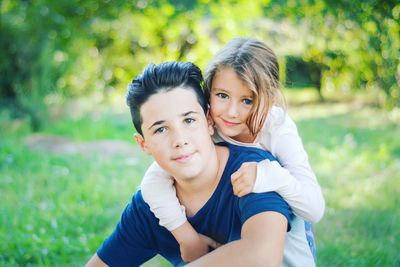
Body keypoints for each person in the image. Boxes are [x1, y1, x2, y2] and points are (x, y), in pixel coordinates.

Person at [86, 61, 297, 267]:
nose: (179, 140)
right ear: (143, 144)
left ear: (208, 121)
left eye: (188, 121)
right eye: (160, 129)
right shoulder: (150, 205)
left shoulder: (254, 173)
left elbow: (262, 257)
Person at [141, 38, 324, 263]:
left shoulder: (277, 128)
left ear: (270, 99)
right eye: (222, 96)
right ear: (209, 92)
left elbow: (314, 208)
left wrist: (269, 175)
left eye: (247, 100)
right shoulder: (208, 124)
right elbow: (153, 181)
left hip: (287, 244)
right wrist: (186, 237)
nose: (231, 112)